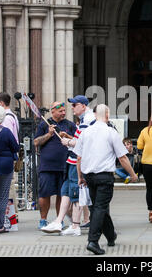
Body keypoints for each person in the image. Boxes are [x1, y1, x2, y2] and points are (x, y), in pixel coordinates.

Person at [74, 104, 138, 255]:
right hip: (104, 177)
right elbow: (122, 157)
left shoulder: (85, 132)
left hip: (89, 176)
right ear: (107, 115)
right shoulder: (111, 133)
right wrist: (133, 174)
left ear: (95, 115)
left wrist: (80, 177)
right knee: (100, 207)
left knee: (98, 206)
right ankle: (93, 241)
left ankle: (110, 236)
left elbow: (78, 158)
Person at [41, 95, 93, 235]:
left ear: (82, 106)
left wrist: (68, 142)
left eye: (74, 105)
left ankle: (75, 226)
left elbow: (82, 143)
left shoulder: (87, 119)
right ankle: (58, 221)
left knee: (75, 191)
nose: (71, 108)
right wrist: (69, 138)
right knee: (65, 190)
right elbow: (79, 138)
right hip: (72, 160)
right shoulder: (83, 119)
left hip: (78, 160)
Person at [34, 101, 77, 229]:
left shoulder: (69, 124)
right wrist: (49, 134)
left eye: (64, 111)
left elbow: (77, 140)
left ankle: (60, 219)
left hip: (64, 165)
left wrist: (67, 135)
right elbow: (36, 142)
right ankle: (43, 219)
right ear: (53, 111)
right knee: (44, 194)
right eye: (60, 111)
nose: (63, 113)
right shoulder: (44, 124)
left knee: (62, 194)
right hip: (47, 166)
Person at [0, 92, 20, 215]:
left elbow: (8, 138)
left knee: (8, 186)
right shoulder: (10, 116)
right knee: (7, 185)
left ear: (2, 104)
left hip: (8, 156)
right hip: (7, 156)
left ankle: (11, 214)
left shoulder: (7, 118)